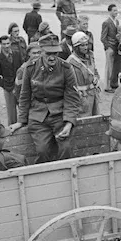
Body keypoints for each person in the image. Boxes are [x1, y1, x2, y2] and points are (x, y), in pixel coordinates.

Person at [10, 34, 82, 163]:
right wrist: (21, 121)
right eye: (48, 53)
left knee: (65, 149)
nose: (52, 57)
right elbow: (25, 95)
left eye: (55, 53)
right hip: (38, 117)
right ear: (41, 51)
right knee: (42, 150)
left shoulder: (66, 68)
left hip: (60, 116)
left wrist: (69, 123)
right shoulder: (31, 68)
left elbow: (72, 97)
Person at [67, 31, 100, 117]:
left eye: (86, 44)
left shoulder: (91, 56)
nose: (85, 47)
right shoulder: (71, 61)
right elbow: (69, 84)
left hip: (93, 95)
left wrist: (96, 77)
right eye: (82, 45)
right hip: (81, 99)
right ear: (76, 47)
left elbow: (95, 71)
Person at [0, 35, 25, 125]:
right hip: (8, 88)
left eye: (8, 43)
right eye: (4, 44)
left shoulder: (16, 54)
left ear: (10, 43)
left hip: (19, 86)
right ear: (0, 44)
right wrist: (5, 85)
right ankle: (12, 129)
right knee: (11, 113)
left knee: (23, 108)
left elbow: (22, 68)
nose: (6, 46)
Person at [101, 4, 121, 93]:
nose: (116, 12)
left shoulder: (117, 22)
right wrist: (107, 47)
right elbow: (103, 37)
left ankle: (114, 83)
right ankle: (107, 86)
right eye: (114, 11)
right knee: (109, 67)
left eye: (116, 10)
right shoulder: (106, 22)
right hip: (110, 47)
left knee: (115, 67)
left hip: (116, 46)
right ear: (109, 11)